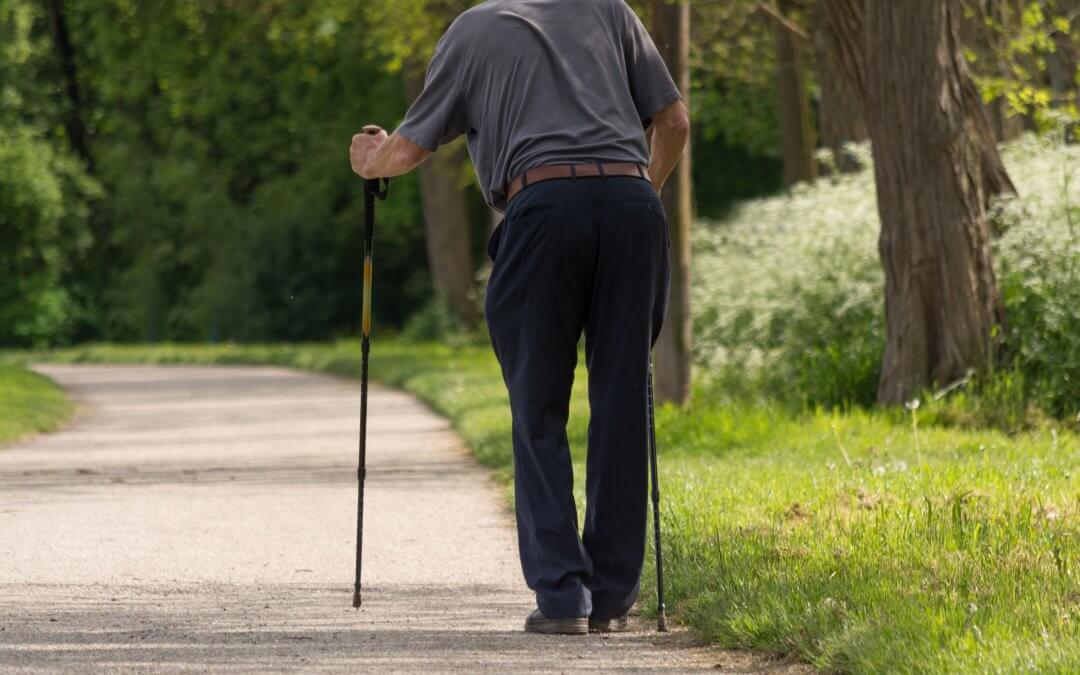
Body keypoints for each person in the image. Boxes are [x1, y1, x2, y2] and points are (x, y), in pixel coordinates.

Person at [350, 0, 689, 636]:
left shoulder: (473, 30)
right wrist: (642, 190)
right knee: (621, 401)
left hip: (542, 208)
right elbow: (673, 123)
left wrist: (369, 159)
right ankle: (613, 598)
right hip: (630, 206)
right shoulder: (610, 13)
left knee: (538, 408)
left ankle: (563, 597)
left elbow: (409, 150)